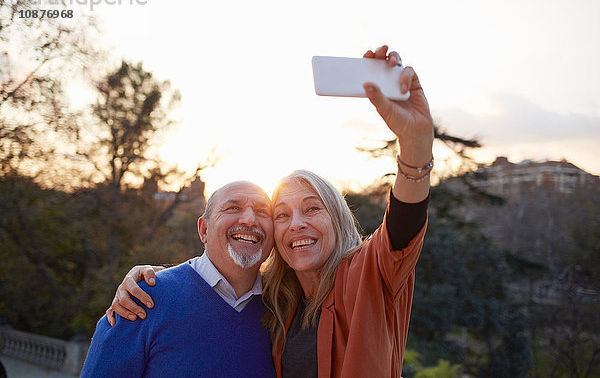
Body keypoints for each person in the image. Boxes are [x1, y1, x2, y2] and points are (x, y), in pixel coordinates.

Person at [107, 45, 434, 377]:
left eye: (312, 209)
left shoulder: (368, 274)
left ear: (336, 218)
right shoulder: (275, 302)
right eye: (281, 215)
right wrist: (151, 278)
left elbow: (404, 221)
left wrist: (416, 144)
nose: (297, 224)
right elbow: (219, 281)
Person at [81, 181, 277, 377]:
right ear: (204, 230)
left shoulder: (281, 309)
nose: (250, 219)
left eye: (262, 212)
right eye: (233, 208)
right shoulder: (140, 301)